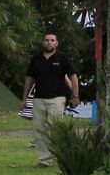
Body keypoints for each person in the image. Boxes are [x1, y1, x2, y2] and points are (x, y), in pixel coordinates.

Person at [20, 32, 78, 167]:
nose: (49, 42)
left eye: (52, 40)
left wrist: (75, 96)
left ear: (57, 43)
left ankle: (64, 156)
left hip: (57, 99)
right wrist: (24, 98)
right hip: (38, 98)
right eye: (46, 40)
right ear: (42, 43)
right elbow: (29, 78)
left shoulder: (62, 58)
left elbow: (73, 77)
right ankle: (45, 160)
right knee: (39, 129)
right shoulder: (36, 59)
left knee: (56, 128)